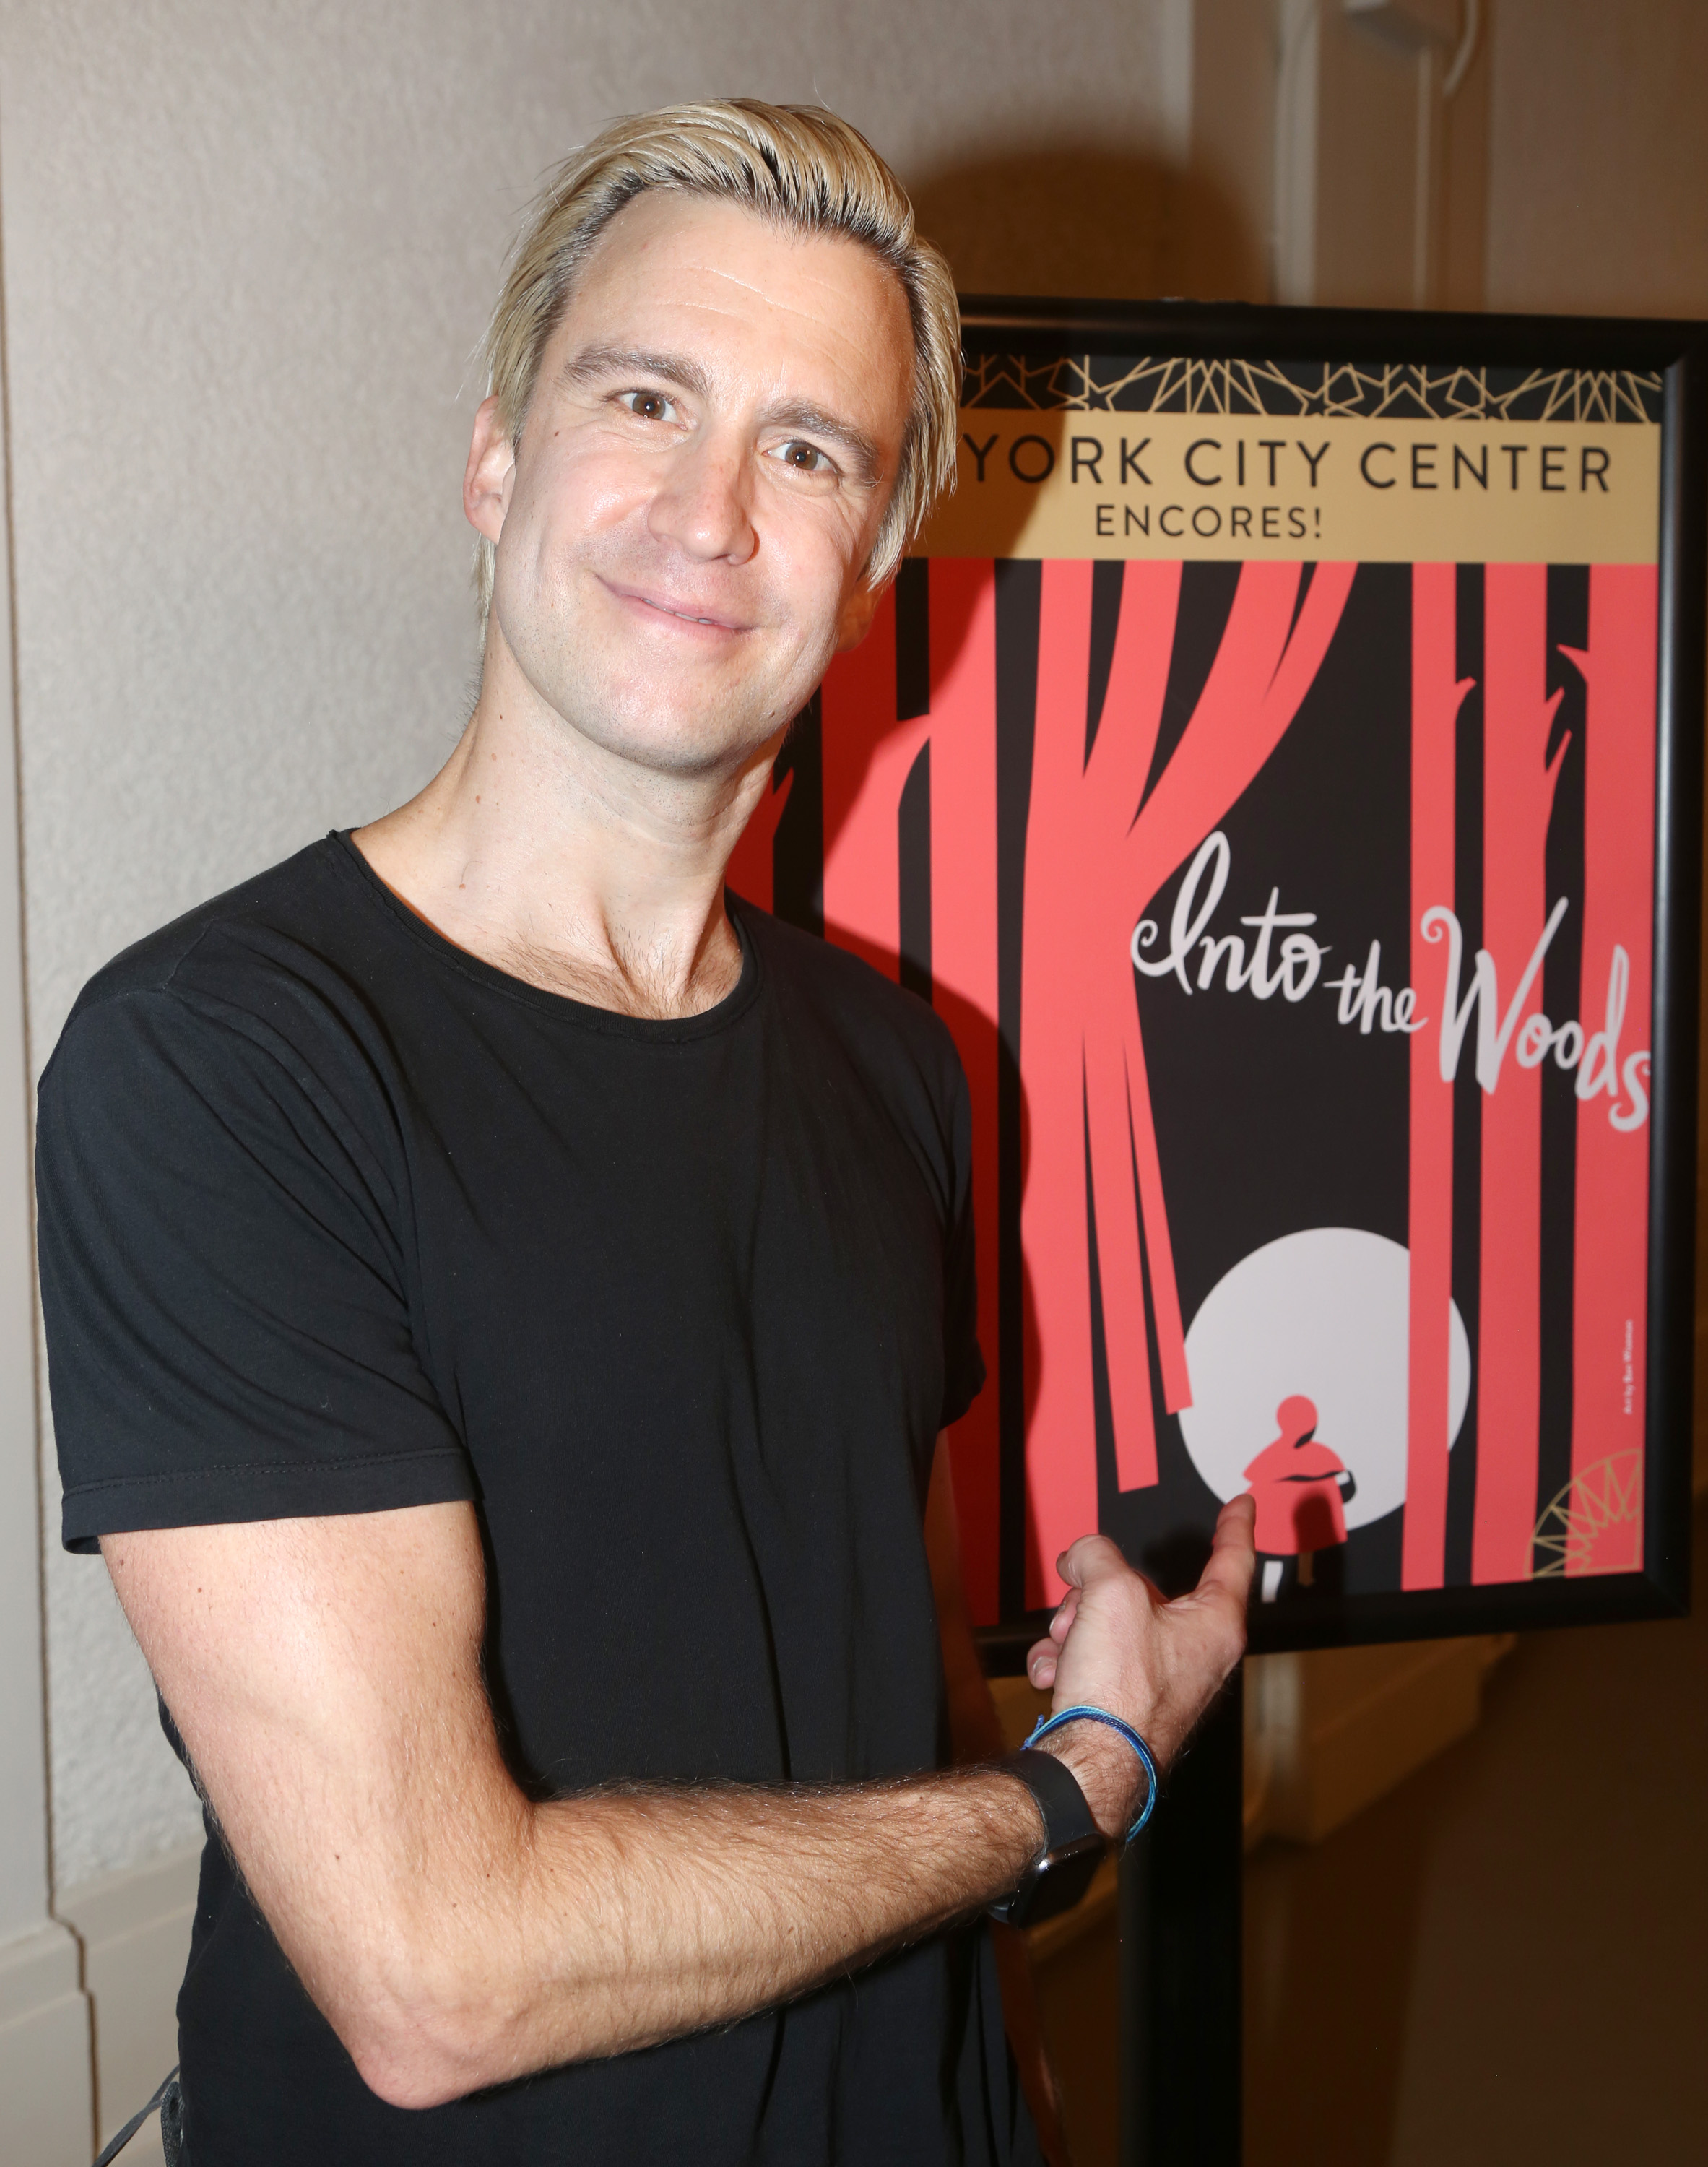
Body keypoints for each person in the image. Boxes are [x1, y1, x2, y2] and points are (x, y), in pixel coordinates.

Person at [37, 100, 1255, 2166]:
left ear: (873, 570)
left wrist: (1014, 2085)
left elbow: (902, 1661)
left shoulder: (903, 1061)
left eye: (810, 451)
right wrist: (1084, 1785)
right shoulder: (227, 1065)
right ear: (496, 455)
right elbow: (437, 1975)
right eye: (646, 396)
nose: (712, 512)